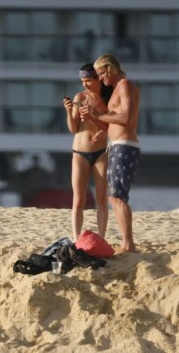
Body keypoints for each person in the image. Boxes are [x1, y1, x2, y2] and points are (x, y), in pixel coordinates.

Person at [79, 54, 141, 253]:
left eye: (102, 73)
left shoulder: (125, 85)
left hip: (125, 145)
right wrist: (94, 120)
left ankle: (128, 244)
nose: (101, 78)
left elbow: (125, 117)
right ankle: (126, 242)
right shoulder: (116, 89)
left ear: (111, 68)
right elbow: (109, 123)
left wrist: (97, 115)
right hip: (116, 145)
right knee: (114, 196)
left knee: (117, 197)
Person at [63, 63, 112, 241]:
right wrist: (69, 111)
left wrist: (98, 123)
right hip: (80, 152)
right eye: (83, 81)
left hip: (100, 152)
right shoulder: (80, 97)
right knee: (78, 200)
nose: (85, 84)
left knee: (101, 198)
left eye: (88, 81)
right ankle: (76, 239)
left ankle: (102, 238)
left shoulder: (107, 99)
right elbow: (74, 128)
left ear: (98, 79)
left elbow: (112, 125)